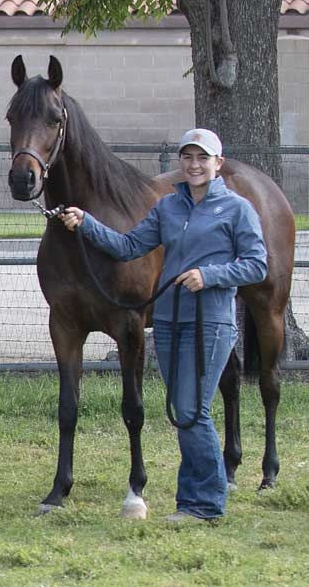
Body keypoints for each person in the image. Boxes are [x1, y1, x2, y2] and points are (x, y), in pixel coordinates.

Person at [55, 128, 267, 522]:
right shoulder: (169, 208)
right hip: (169, 321)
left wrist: (211, 275)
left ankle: (205, 503)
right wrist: (86, 223)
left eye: (203, 158)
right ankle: (192, 500)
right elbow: (128, 246)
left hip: (210, 322)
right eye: (188, 157)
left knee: (191, 411)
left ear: (217, 164)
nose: (194, 165)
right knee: (180, 410)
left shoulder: (237, 209)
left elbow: (256, 265)